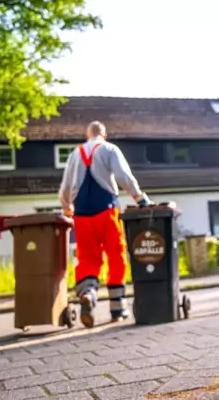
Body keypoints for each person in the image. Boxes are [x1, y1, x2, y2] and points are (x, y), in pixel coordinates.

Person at [59, 121, 152, 327]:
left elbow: (65, 187)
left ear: (87, 136)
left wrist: (67, 208)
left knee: (87, 258)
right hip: (106, 212)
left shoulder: (75, 154)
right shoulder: (109, 149)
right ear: (104, 135)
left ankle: (89, 295)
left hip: (82, 216)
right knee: (115, 255)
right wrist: (140, 199)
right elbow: (123, 176)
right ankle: (118, 308)